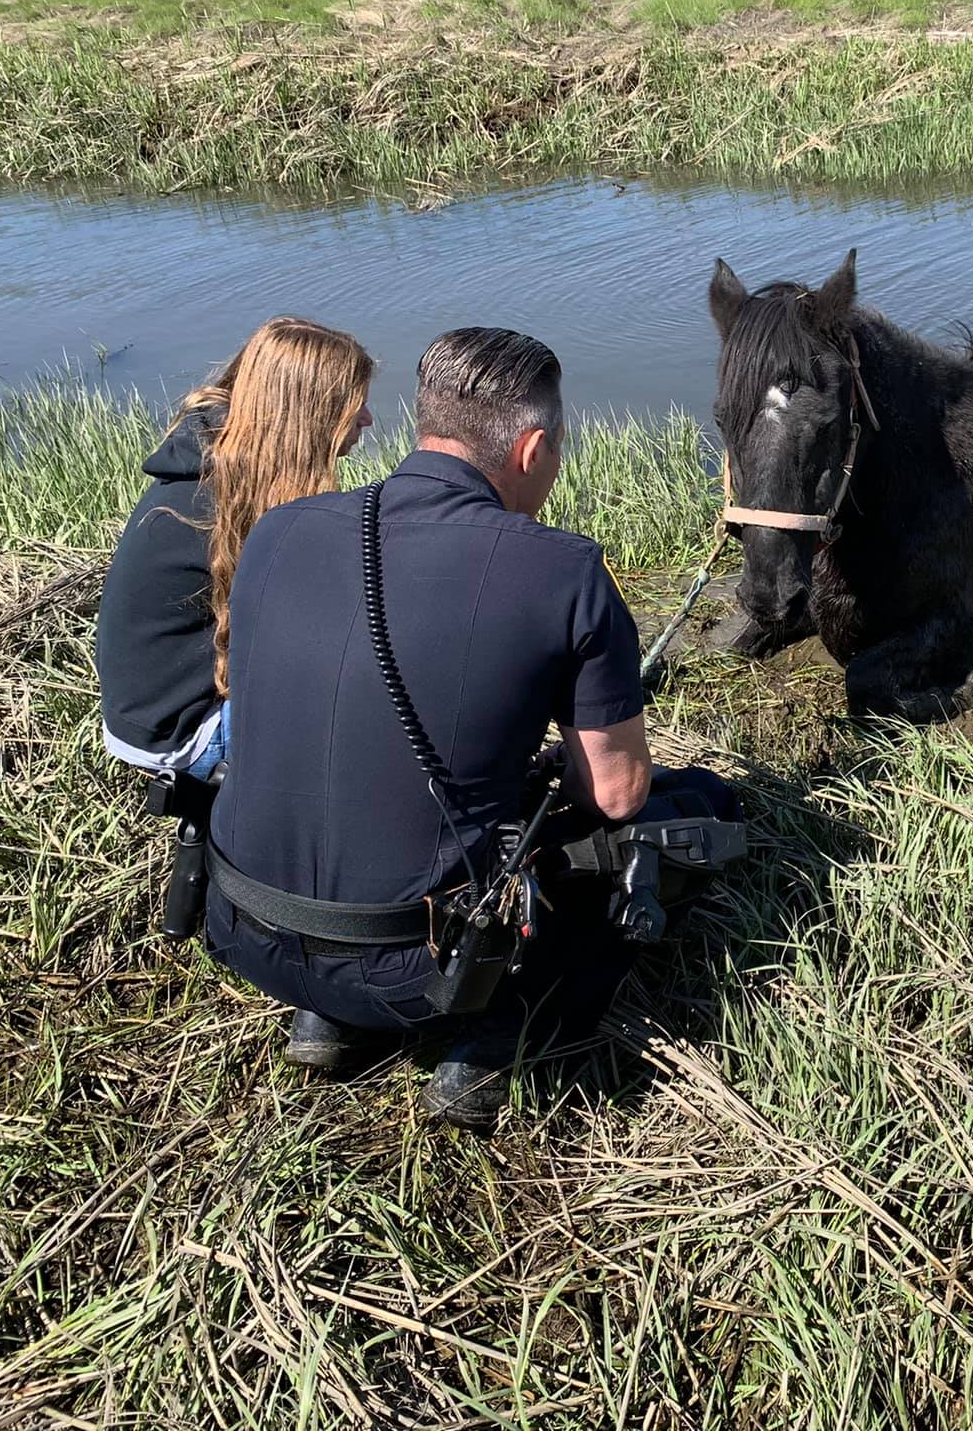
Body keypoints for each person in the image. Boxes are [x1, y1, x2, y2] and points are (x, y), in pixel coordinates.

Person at [205, 327, 737, 1129]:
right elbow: (618, 795)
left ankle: (327, 1019)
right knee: (697, 810)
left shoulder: (279, 532)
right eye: (556, 452)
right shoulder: (564, 569)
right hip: (418, 972)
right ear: (531, 448)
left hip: (244, 929)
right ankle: (492, 1042)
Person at [96, 317, 375, 778]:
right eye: (354, 405)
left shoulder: (226, 472)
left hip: (151, 713)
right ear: (313, 412)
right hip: (179, 730)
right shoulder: (214, 502)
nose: (366, 418)